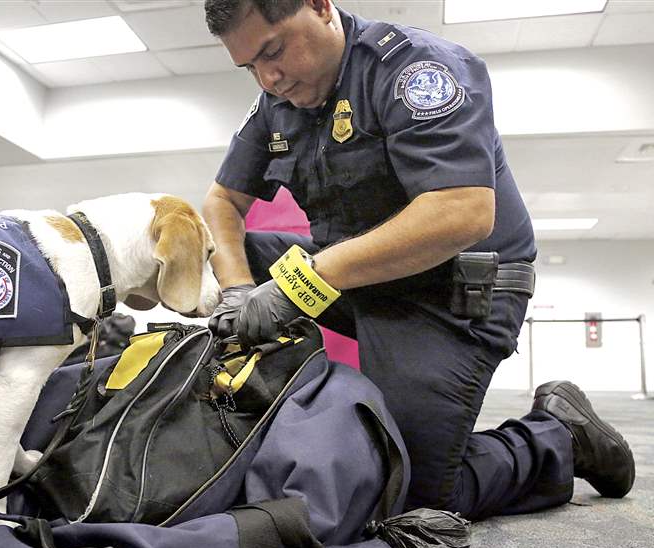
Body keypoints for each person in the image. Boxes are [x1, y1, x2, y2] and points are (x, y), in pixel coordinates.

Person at [200, 0, 635, 521]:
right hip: (361, 283)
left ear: (318, 6)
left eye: (273, 51)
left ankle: (559, 437)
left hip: (454, 292)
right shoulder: (278, 102)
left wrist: (306, 281)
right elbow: (222, 202)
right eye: (249, 67)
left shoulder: (416, 70)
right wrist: (238, 291)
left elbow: (463, 213)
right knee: (225, 256)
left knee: (408, 492)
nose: (268, 79)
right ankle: (263, 403)